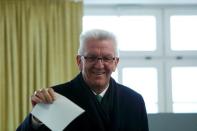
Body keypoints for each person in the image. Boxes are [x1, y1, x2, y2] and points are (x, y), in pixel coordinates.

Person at [17, 29, 149, 131]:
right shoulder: (55, 98)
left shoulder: (134, 101)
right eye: (91, 57)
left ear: (116, 63)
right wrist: (36, 118)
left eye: (107, 58)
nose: (99, 65)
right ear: (79, 61)